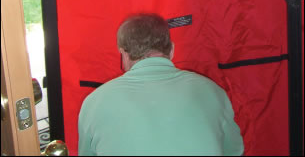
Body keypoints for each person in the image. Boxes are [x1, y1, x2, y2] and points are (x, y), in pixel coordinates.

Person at [78, 13, 244, 156]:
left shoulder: (94, 102)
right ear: (171, 50)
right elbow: (234, 151)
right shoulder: (213, 92)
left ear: (123, 54)